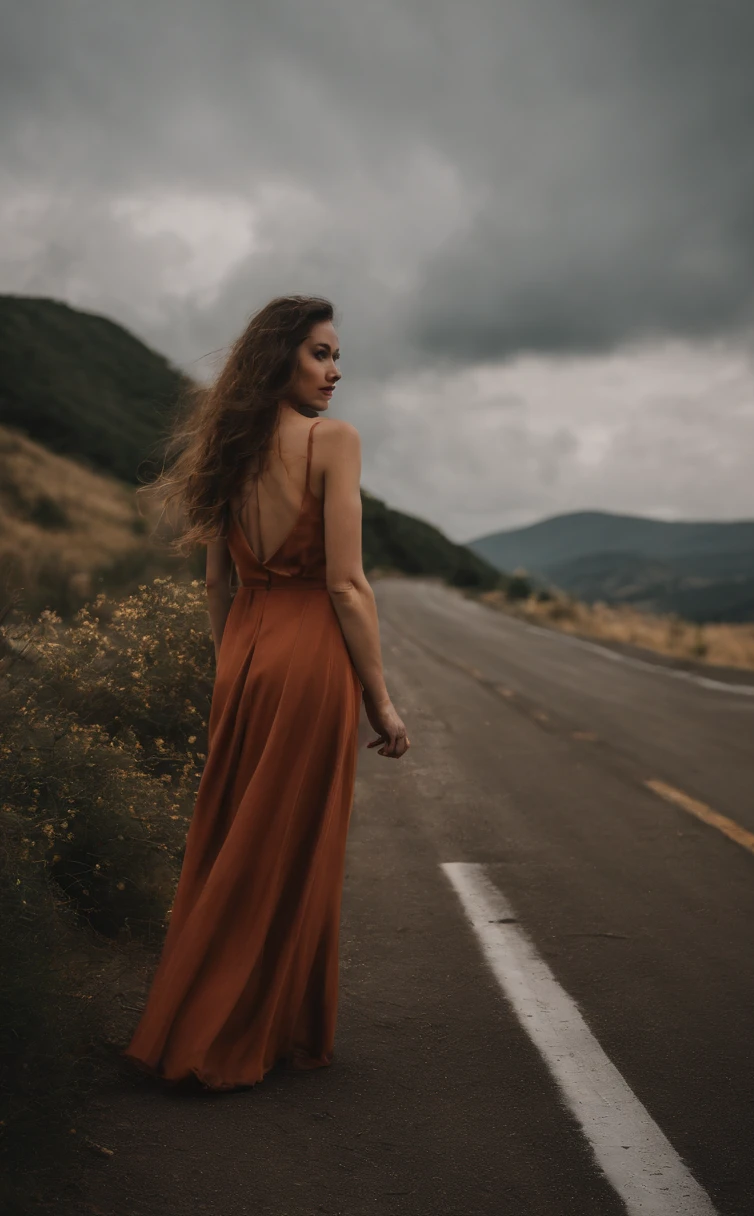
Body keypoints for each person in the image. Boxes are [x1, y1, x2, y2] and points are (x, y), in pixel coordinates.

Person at [123, 295, 410, 1091]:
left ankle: (207, 1013)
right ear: (280, 357)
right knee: (293, 840)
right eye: (320, 353)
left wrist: (236, 663)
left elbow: (216, 583)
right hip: (311, 653)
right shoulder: (332, 442)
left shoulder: (230, 448)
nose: (335, 370)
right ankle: (249, 1028)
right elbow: (347, 585)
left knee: (232, 838)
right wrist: (379, 701)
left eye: (335, 355)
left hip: (246, 652)